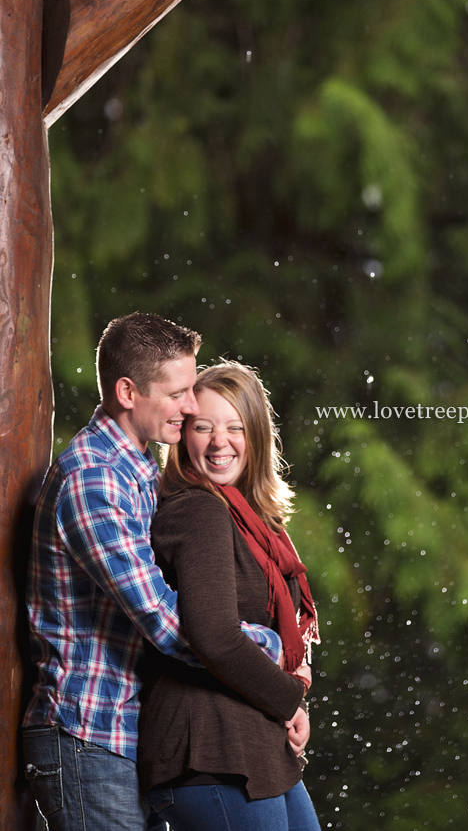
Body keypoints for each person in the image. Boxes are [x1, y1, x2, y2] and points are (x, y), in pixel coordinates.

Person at [23, 312, 203, 831]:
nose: (190, 408)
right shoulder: (94, 479)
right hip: (88, 735)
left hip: (124, 736)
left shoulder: (140, 470)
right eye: (178, 394)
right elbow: (166, 624)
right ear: (128, 391)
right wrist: (269, 649)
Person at [138, 360, 322, 831]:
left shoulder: (255, 523)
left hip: (253, 745)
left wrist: (287, 700)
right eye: (203, 427)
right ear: (183, 435)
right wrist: (288, 699)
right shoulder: (199, 509)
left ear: (256, 437)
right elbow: (214, 636)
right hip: (209, 750)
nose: (221, 442)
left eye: (235, 427)